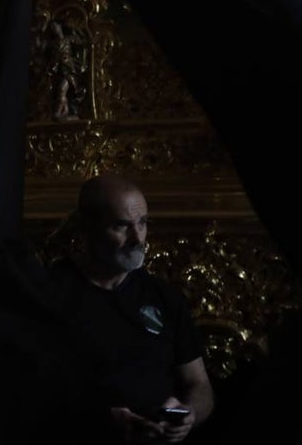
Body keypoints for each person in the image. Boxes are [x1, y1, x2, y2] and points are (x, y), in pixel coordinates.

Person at [49, 174, 214, 444]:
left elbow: (200, 384)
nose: (138, 238)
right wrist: (104, 420)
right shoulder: (49, 294)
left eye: (143, 222)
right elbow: (27, 392)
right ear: (86, 227)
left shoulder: (164, 297)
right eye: (121, 226)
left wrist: (188, 413)